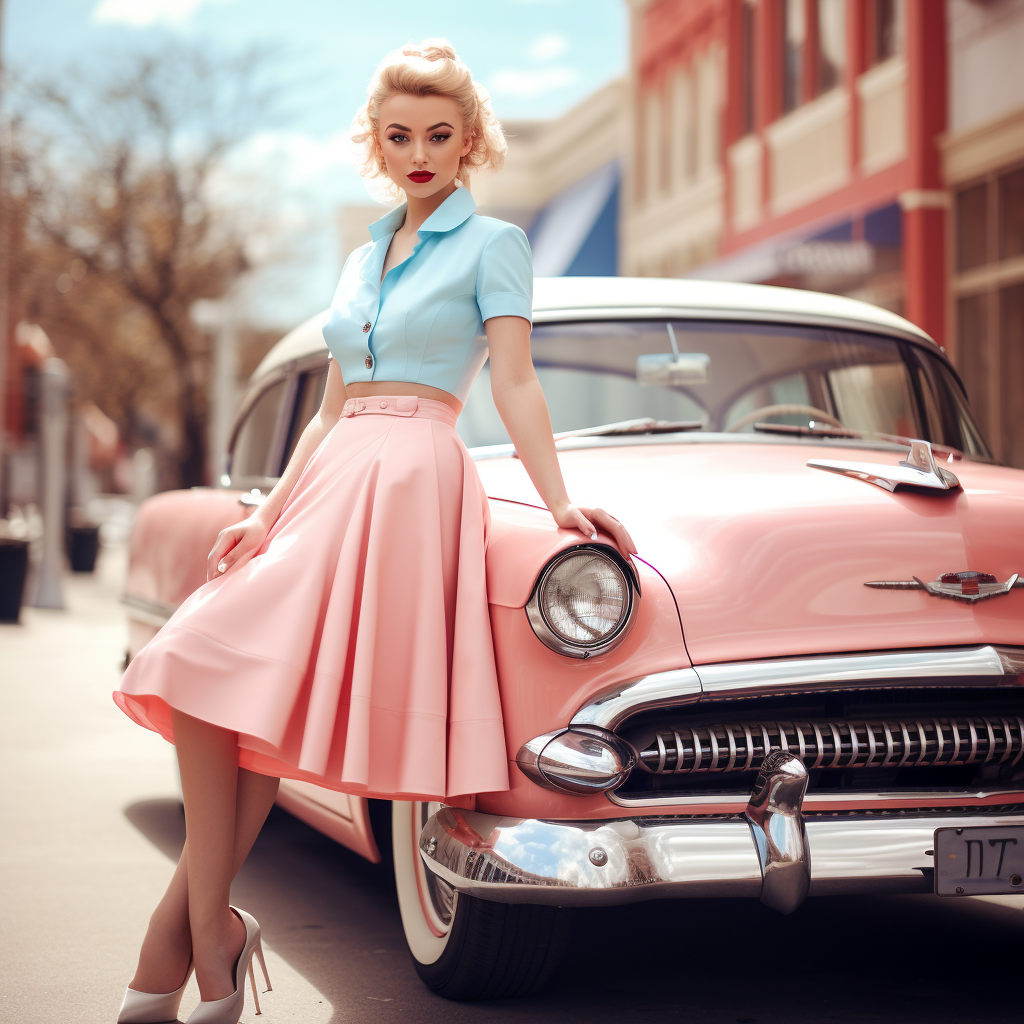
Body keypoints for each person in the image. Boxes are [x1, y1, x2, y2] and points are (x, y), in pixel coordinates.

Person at [112, 39, 637, 1024]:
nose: (420, 152)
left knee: (266, 713)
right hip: (334, 474)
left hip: (414, 479)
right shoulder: (362, 253)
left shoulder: (497, 245)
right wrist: (263, 514)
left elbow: (515, 382)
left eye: (439, 135)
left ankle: (178, 935)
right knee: (205, 669)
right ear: (377, 145)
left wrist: (558, 497)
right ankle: (209, 923)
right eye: (399, 136)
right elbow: (326, 407)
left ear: (471, 141)